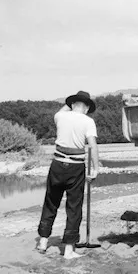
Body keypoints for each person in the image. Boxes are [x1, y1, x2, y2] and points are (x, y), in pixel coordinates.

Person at [36, 90, 99, 259]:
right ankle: (69, 250)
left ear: (72, 105)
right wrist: (95, 168)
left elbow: (64, 109)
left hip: (57, 164)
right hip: (76, 167)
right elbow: (92, 146)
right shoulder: (88, 121)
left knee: (51, 202)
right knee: (74, 207)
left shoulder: (60, 117)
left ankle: (43, 241)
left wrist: (71, 102)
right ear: (86, 107)